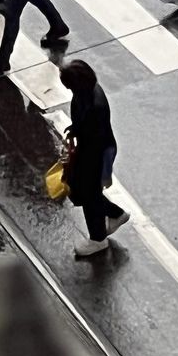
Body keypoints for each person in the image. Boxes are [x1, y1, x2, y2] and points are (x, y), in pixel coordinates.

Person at [59, 60, 129, 257]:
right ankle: (115, 215)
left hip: (95, 155)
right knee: (86, 192)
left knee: (89, 195)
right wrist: (75, 129)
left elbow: (100, 143)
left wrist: (104, 173)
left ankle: (98, 239)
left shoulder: (94, 107)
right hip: (90, 151)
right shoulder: (88, 92)